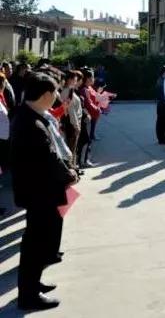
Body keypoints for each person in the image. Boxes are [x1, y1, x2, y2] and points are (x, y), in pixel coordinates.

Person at [10, 72, 79, 310]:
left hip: (39, 191)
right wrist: (68, 175)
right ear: (46, 95)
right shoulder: (32, 124)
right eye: (55, 92)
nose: (57, 96)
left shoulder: (30, 116)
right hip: (39, 193)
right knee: (35, 243)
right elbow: (48, 158)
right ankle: (28, 295)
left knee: (38, 242)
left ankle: (33, 284)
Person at [78, 69, 101, 166]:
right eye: (92, 77)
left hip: (93, 116)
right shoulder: (84, 90)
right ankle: (84, 161)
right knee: (87, 139)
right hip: (89, 116)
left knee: (89, 138)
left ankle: (86, 158)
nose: (94, 79)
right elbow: (88, 104)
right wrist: (97, 109)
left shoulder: (89, 87)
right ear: (87, 78)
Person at [155, 66, 165, 145]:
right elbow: (163, 95)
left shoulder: (162, 80)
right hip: (162, 104)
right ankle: (161, 139)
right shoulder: (161, 81)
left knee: (162, 122)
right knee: (161, 122)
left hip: (162, 104)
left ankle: (162, 138)